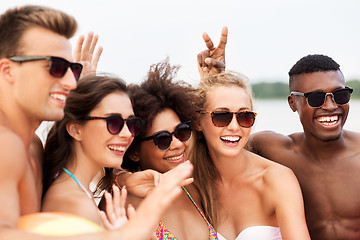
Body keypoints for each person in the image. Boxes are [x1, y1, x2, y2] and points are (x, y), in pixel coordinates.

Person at [0, 5, 193, 239]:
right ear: (7, 70)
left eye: (73, 69)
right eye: (56, 68)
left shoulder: (33, 148)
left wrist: (125, 178)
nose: (71, 81)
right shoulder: (8, 146)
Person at [198, 27, 360, 240]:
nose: (330, 106)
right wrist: (215, 82)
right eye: (316, 98)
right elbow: (222, 141)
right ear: (293, 103)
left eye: (340, 95)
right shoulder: (271, 148)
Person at [189, 71, 310, 240]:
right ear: (197, 121)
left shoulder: (276, 179)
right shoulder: (189, 184)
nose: (234, 127)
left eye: (244, 116)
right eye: (221, 116)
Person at [105, 59, 218, 239]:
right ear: (134, 151)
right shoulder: (123, 205)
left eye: (182, 132)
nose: (178, 144)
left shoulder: (194, 188)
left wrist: (213, 81)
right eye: (163, 139)